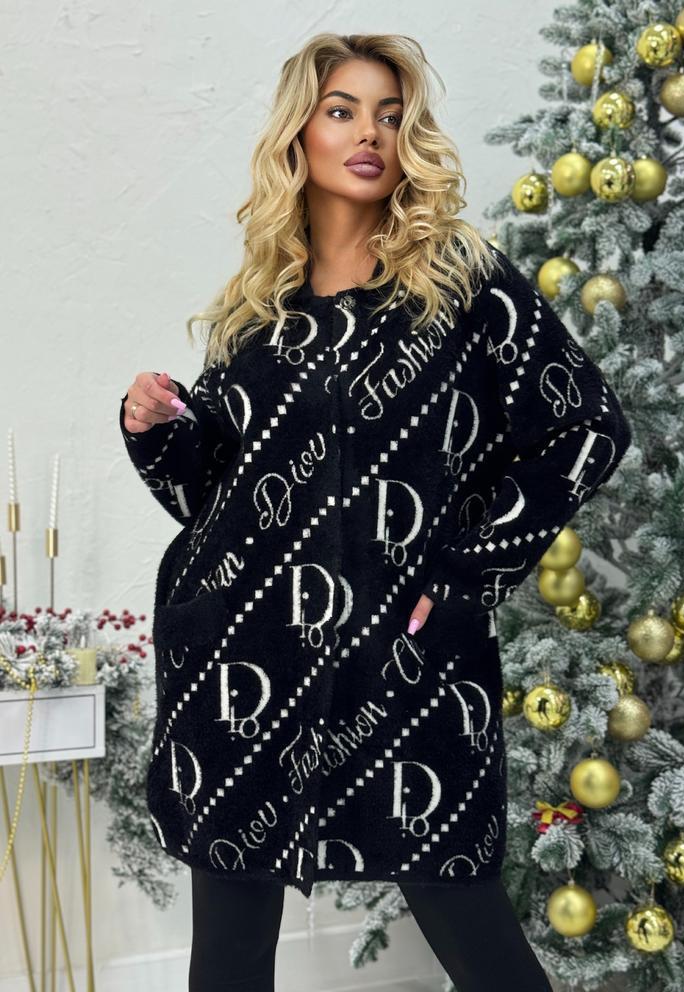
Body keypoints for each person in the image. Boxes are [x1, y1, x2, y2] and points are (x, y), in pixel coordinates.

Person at [121, 32, 630, 992]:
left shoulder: (462, 284)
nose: (370, 134)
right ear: (297, 135)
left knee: (472, 930)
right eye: (342, 111)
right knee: (228, 956)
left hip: (405, 659)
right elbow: (209, 498)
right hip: (243, 660)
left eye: (391, 116)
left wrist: (467, 571)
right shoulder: (259, 310)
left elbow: (586, 427)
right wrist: (153, 426)